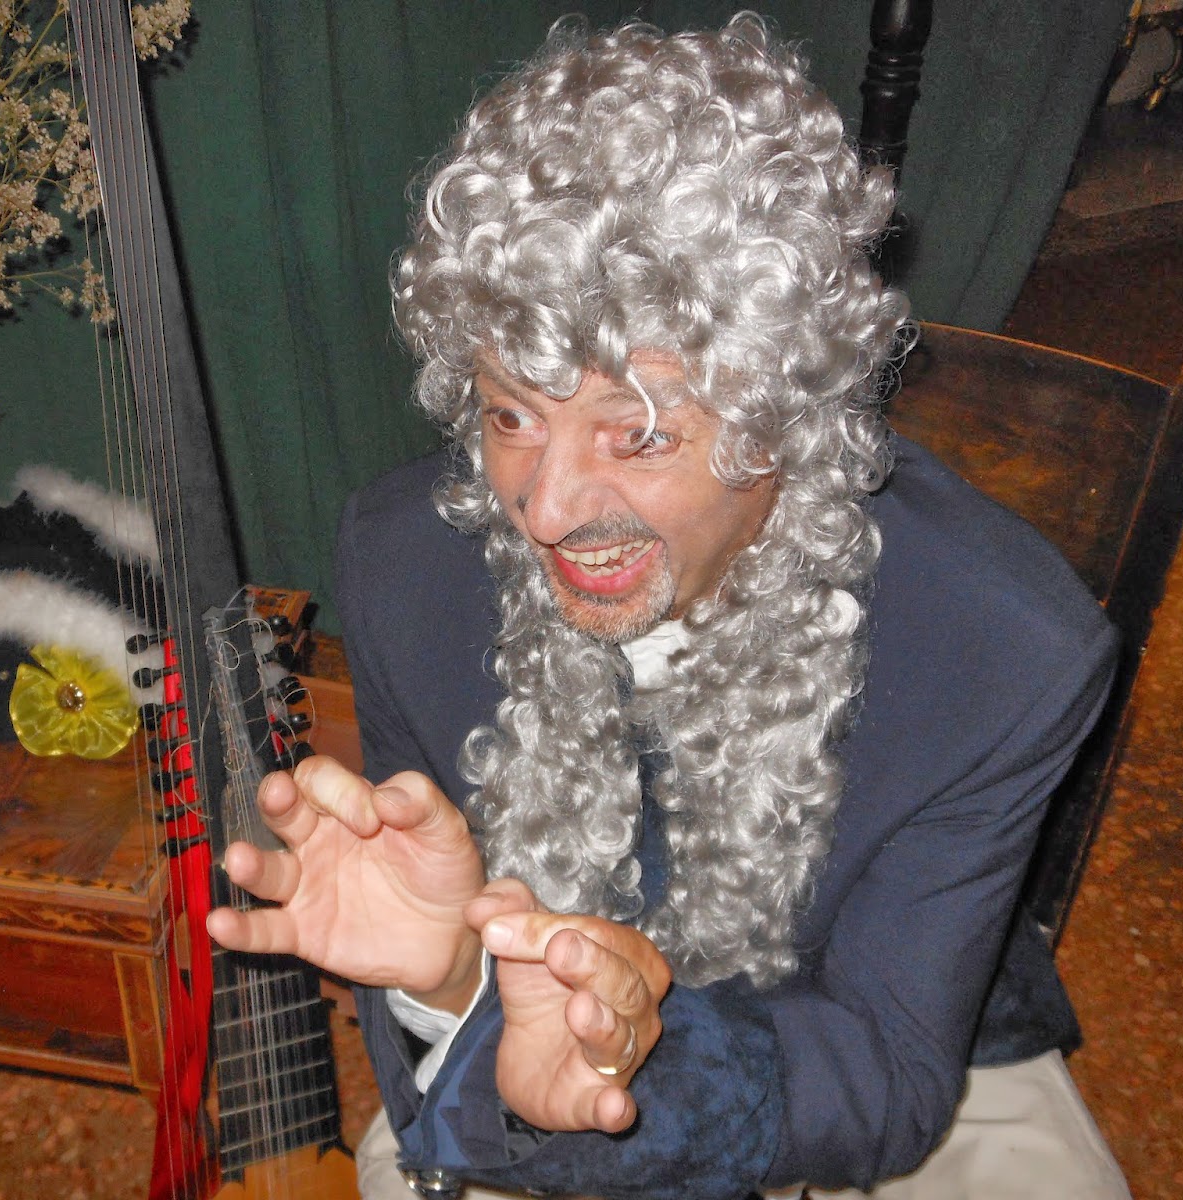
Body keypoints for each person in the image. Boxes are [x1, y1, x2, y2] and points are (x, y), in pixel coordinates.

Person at [207, 15, 1132, 1199]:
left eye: (636, 432)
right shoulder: (405, 565)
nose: (543, 509)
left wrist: (654, 1056)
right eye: (509, 415)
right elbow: (446, 995)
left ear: (784, 412)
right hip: (518, 1038)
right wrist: (452, 985)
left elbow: (886, 1083)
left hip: (848, 1032)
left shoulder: (1002, 654)